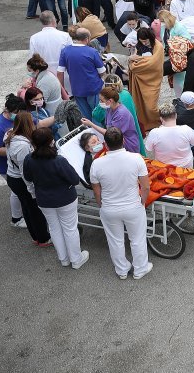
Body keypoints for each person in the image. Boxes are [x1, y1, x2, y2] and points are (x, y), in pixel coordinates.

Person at [90, 127, 153, 280]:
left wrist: (102, 206)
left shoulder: (96, 164)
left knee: (115, 241)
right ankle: (140, 269)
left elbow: (97, 192)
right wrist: (142, 202)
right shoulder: (136, 158)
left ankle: (122, 270)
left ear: (105, 144)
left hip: (109, 208)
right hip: (133, 206)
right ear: (123, 141)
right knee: (137, 239)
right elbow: (145, 186)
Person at [23, 127, 89, 269]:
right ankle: (76, 259)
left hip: (44, 200)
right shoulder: (59, 160)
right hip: (65, 198)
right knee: (70, 229)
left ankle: (63, 259)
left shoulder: (29, 159)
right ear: (51, 141)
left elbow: (28, 177)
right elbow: (74, 179)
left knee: (54, 228)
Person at [4, 112, 51, 246]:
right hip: (20, 180)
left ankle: (35, 236)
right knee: (34, 210)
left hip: (12, 177)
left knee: (26, 207)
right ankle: (43, 238)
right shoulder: (23, 146)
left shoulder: (10, 135)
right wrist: (32, 191)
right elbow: (24, 170)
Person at [0, 95, 27, 228]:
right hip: (5, 166)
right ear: (8, 111)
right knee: (16, 191)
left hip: (15, 162)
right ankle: (16, 219)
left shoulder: (15, 118)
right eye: (17, 113)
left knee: (19, 190)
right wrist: (14, 151)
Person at [57, 28, 106, 121]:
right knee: (98, 116)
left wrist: (62, 89)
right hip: (93, 88)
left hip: (76, 89)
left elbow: (60, 72)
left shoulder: (65, 51)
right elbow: (102, 72)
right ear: (87, 38)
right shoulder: (92, 52)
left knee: (86, 117)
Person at [91, 74, 145, 156]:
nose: (101, 102)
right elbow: (135, 110)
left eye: (101, 100)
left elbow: (97, 116)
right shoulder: (126, 94)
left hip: (123, 142)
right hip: (132, 133)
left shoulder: (111, 105)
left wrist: (91, 124)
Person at [82, 87, 141, 153]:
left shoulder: (121, 114)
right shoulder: (109, 109)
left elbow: (110, 133)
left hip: (128, 146)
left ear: (110, 101)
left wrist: (91, 124)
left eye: (101, 100)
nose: (100, 103)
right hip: (117, 144)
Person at [127, 28, 164, 130]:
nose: (143, 43)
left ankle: (160, 119)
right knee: (140, 103)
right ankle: (146, 123)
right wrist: (133, 59)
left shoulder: (158, 47)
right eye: (141, 41)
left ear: (150, 38)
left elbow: (153, 64)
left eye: (145, 40)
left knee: (151, 106)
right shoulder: (139, 45)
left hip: (153, 79)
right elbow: (135, 61)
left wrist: (136, 59)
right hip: (140, 78)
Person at [145, 103, 194, 168]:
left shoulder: (154, 133)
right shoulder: (186, 129)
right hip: (185, 167)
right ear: (176, 115)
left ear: (161, 118)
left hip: (164, 169)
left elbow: (149, 148)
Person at [29, 11, 72, 79]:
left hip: (44, 76)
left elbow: (33, 59)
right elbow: (71, 56)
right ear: (53, 20)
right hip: (64, 75)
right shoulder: (65, 36)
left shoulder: (34, 38)